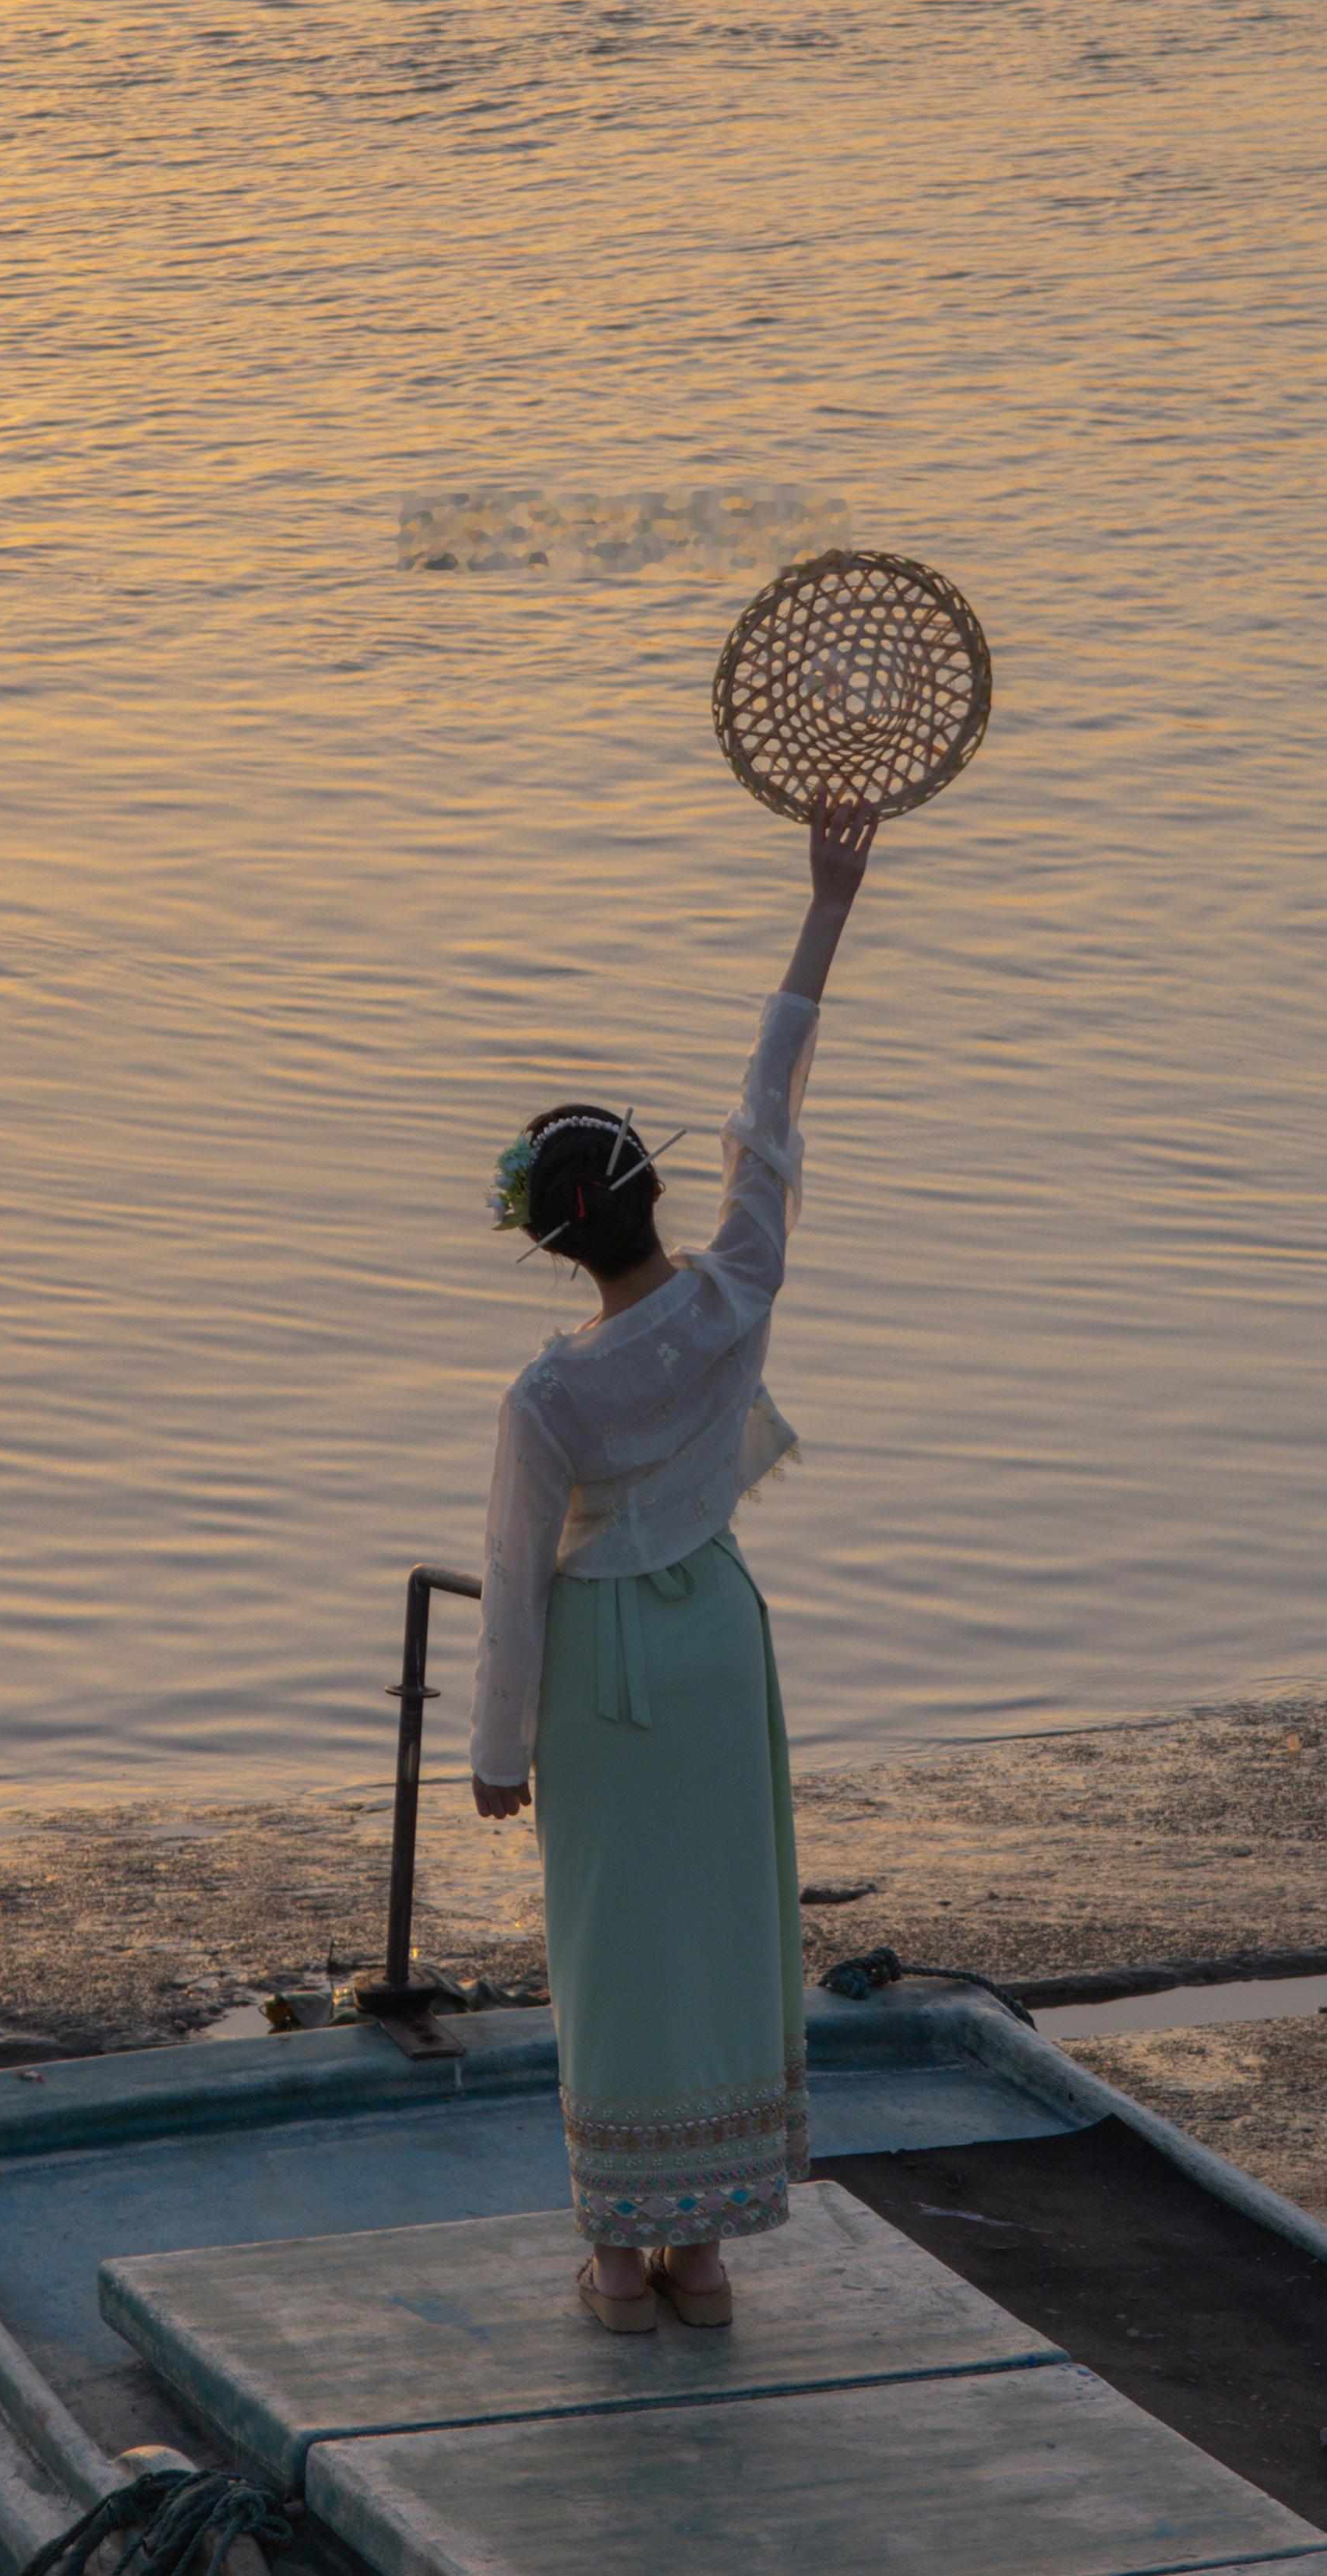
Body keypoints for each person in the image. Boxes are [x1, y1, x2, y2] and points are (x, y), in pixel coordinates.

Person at [468, 798, 877, 2332]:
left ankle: (618, 2260)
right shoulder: (733, 1291)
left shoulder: (545, 1395)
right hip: (713, 1632)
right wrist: (825, 904)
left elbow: (515, 1579)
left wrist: (496, 1752)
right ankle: (701, 2252)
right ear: (651, 1191)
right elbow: (766, 1113)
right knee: (716, 1928)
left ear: (553, 1240)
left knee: (613, 1941)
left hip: (604, 1664)